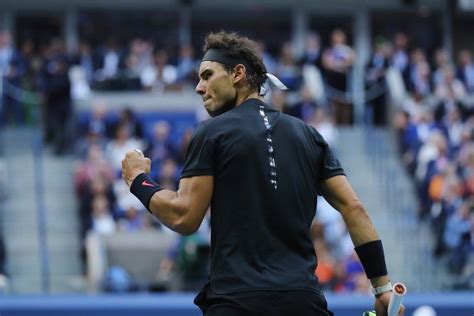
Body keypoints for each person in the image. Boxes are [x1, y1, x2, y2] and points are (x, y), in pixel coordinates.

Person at [122, 31, 404, 316]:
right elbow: (354, 207)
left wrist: (139, 181)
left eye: (207, 76)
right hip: (303, 303)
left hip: (236, 303)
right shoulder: (309, 135)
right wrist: (382, 288)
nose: (199, 87)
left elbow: (184, 216)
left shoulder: (211, 132)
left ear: (238, 74)